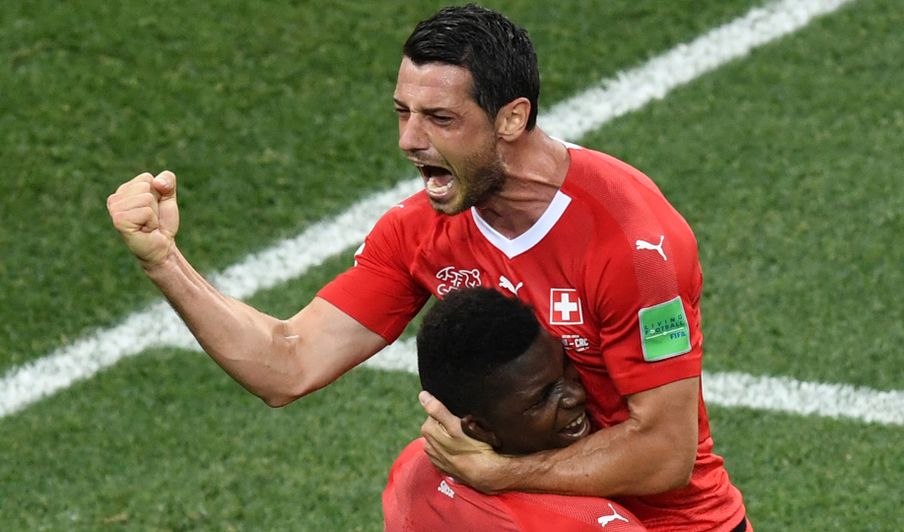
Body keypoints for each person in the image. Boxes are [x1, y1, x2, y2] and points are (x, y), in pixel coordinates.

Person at [106, 4, 748, 530]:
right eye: (403, 113)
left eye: (440, 118)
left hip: (672, 524)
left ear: (512, 118)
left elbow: (665, 456)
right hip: (529, 509)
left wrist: (501, 473)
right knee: (423, 476)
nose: (411, 140)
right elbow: (287, 363)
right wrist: (165, 262)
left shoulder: (632, 244)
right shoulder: (421, 230)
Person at [384, 287, 644, 531]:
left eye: (567, 367)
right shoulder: (593, 522)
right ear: (481, 429)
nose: (575, 395)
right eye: (543, 397)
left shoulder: (411, 464)